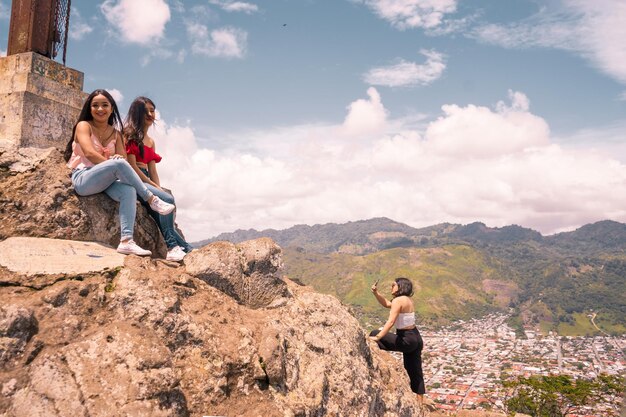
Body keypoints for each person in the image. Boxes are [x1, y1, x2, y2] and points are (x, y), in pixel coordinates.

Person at [64, 89, 175, 256]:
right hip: (84, 177)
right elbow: (88, 153)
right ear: (89, 108)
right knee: (118, 165)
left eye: (104, 105)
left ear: (111, 108)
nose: (100, 109)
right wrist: (114, 163)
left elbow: (123, 160)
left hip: (107, 181)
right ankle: (151, 199)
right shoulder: (83, 126)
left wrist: (116, 161)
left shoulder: (116, 133)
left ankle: (126, 241)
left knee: (128, 190)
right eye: (95, 105)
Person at [123, 96, 192, 262]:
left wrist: (158, 188)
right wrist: (155, 188)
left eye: (152, 110)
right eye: (144, 110)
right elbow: (132, 167)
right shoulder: (129, 134)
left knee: (162, 210)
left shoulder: (151, 141)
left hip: (146, 178)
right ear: (136, 113)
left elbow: (153, 170)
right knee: (168, 198)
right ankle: (172, 247)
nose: (149, 114)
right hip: (134, 179)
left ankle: (186, 249)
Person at [369, 277, 433, 409]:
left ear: (400, 286)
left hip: (406, 339)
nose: (391, 287)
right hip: (416, 338)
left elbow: (391, 321)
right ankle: (419, 403)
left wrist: (378, 337)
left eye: (393, 285)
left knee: (374, 334)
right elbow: (387, 304)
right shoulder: (407, 299)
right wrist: (376, 293)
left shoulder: (399, 300)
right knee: (415, 371)